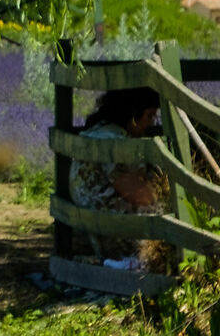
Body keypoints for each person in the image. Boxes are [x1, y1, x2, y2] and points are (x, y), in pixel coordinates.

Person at [72, 86, 170, 268]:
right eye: (149, 116)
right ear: (133, 115)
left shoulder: (99, 131)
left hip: (90, 225)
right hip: (110, 230)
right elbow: (140, 196)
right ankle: (136, 263)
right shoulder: (115, 143)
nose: (151, 123)